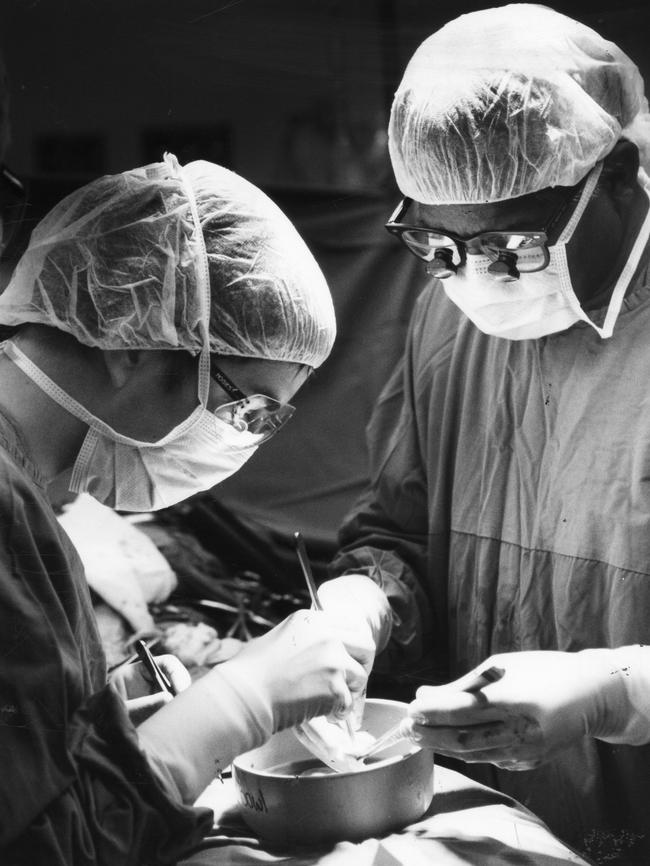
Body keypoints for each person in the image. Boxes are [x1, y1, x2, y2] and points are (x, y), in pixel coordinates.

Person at [317, 4, 650, 860]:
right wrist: (363, 605)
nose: (478, 280)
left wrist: (617, 689)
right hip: (496, 820)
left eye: (515, 243)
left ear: (613, 175)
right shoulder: (449, 317)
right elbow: (398, 526)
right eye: (435, 243)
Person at [0, 153, 368, 865]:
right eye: (248, 407)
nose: (240, 439)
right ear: (131, 341)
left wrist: (120, 736)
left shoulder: (26, 500)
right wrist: (239, 703)